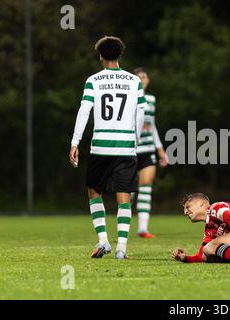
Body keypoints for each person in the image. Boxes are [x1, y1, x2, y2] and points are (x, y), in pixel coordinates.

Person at [69, 36, 147, 259]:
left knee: (94, 191)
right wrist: (136, 139)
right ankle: (122, 247)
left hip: (101, 148)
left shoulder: (93, 80)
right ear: (119, 55)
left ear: (101, 56)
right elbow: (140, 113)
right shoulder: (134, 81)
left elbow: (84, 111)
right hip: (125, 148)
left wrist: (75, 142)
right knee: (123, 197)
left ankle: (103, 240)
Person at [132, 68, 168, 238]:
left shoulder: (151, 100)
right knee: (129, 189)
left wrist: (161, 151)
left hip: (147, 149)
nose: (143, 78)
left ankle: (142, 228)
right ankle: (123, 220)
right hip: (129, 150)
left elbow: (152, 126)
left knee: (145, 186)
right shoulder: (128, 97)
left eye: (145, 76)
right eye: (139, 76)